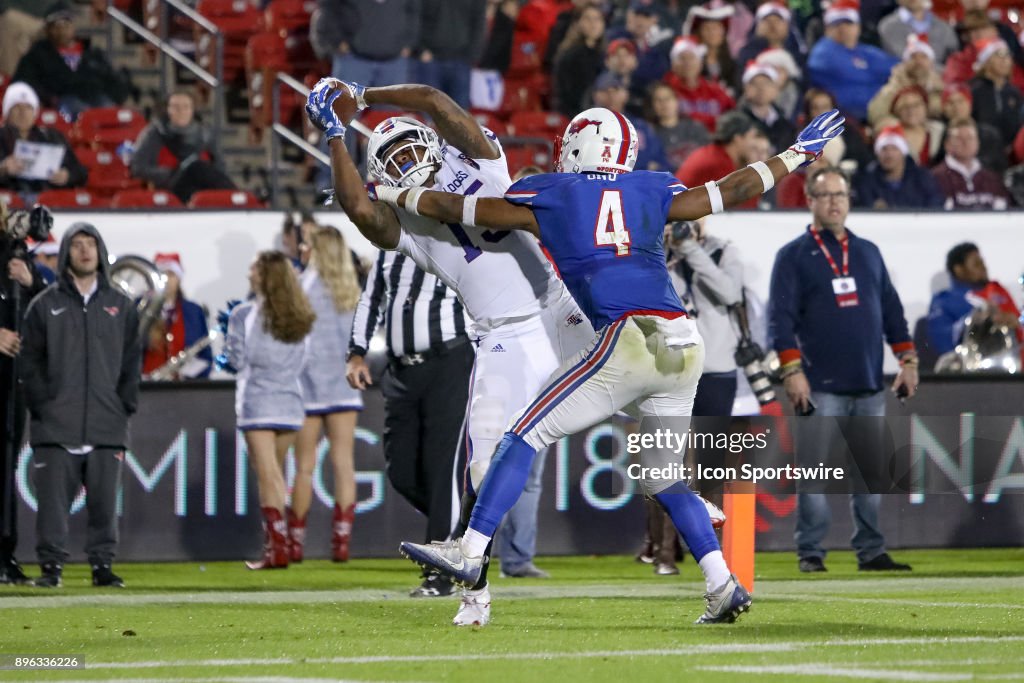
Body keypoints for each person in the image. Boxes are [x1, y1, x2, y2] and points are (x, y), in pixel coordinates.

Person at [386, 103, 846, 623]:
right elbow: (732, 189)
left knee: (522, 435)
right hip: (684, 342)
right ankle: (722, 583)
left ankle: (468, 551)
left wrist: (390, 192)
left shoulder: (554, 191)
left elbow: (462, 211)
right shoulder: (651, 186)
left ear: (578, 145)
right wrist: (796, 154)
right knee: (662, 475)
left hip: (630, 338)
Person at [306, 79, 595, 626]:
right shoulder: (401, 220)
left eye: (411, 144)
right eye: (391, 157)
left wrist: (365, 95)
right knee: (482, 465)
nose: (407, 158)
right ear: (379, 173)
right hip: (502, 334)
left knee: (637, 390)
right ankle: (475, 594)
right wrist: (337, 135)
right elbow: (356, 209)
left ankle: (684, 494)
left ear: (433, 142)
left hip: (558, 307)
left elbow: (437, 102)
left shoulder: (483, 161)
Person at [768, 166, 917, 574]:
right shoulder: (793, 256)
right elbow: (779, 321)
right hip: (819, 385)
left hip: (868, 382)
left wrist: (908, 360)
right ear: (810, 202)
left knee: (870, 477)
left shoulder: (868, 251)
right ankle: (810, 552)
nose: (835, 202)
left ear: (849, 201)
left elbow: (891, 311)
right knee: (814, 475)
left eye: (841, 195)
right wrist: (792, 371)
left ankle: (871, 551)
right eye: (826, 195)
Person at [20, 222, 142, 588]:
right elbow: (30, 362)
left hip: (107, 424)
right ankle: (51, 569)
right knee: (52, 507)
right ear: (66, 254)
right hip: (56, 424)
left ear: (100, 252)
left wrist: (124, 404)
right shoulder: (45, 305)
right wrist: (43, 405)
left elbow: (132, 361)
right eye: (78, 245)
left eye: (91, 244)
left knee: (105, 506)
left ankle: (102, 567)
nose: (85, 251)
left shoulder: (121, 306)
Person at [347, 249, 472, 596]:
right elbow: (370, 299)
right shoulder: (389, 247)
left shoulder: (456, 240)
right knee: (400, 470)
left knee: (442, 467)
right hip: (400, 370)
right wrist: (356, 352)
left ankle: (442, 574)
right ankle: (466, 531)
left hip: (449, 362)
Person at [224, 251, 315, 570]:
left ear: (264, 276)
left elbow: (234, 361)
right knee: (276, 472)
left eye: (254, 267)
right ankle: (278, 543)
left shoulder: (244, 315)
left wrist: (226, 347)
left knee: (268, 474)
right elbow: (305, 361)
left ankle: (276, 547)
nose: (249, 272)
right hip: (290, 402)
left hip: (257, 403)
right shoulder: (302, 315)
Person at [290, 226, 363, 563]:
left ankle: (294, 542)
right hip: (343, 385)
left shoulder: (300, 287)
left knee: (304, 468)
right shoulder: (352, 292)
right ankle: (342, 543)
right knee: (343, 465)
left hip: (307, 387)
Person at [0, 200, 46, 586]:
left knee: (7, 468)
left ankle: (5, 552)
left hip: (11, 383)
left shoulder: (15, 263)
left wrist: (33, 284)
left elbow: (53, 313)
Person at [12, 0, 130, 117]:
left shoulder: (92, 53)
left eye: (66, 24)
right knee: (80, 113)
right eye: (56, 26)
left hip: (95, 97)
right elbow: (23, 81)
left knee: (112, 113)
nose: (62, 31)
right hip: (62, 102)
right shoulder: (37, 55)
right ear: (48, 30)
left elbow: (111, 79)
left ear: (73, 27)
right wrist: (49, 98)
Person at [130, 90, 235, 204]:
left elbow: (219, 167)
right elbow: (137, 167)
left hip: (202, 187)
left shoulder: (205, 133)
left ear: (192, 110)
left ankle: (234, 202)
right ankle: (238, 200)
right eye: (175, 107)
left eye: (186, 107)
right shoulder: (154, 133)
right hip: (171, 185)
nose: (181, 111)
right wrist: (169, 173)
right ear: (168, 109)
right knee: (196, 167)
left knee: (199, 168)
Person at [807, 0, 899, 122]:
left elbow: (898, 67)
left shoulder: (867, 51)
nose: (843, 28)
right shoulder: (823, 52)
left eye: (848, 23)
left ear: (858, 27)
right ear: (827, 29)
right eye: (836, 24)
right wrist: (876, 78)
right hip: (841, 120)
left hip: (875, 114)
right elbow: (848, 73)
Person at [927, 242, 1022, 358]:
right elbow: (941, 338)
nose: (984, 267)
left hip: (1012, 365)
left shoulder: (998, 291)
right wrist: (972, 321)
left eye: (982, 262)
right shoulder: (945, 300)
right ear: (959, 270)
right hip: (971, 369)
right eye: (976, 264)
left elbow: (1018, 320)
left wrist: (1016, 322)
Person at [0, 82, 88, 205]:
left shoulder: (52, 137)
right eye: (17, 108)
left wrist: (67, 176)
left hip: (49, 202)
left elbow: (81, 173)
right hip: (10, 203)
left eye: (28, 107)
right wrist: (3, 169)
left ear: (35, 112)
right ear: (7, 112)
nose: (23, 113)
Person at [314, 0, 420, 91]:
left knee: (389, 113)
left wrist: (409, 42)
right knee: (344, 112)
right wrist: (336, 41)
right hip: (353, 59)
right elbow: (328, 7)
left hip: (394, 62)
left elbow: (414, 10)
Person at [142, 252, 213, 380]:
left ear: (179, 278)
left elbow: (205, 356)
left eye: (171, 274)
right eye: (162, 274)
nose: (167, 280)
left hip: (184, 392)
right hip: (146, 390)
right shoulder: (139, 309)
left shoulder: (194, 311)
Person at [675, 110, 761, 209]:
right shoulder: (719, 163)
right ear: (737, 138)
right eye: (751, 137)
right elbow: (742, 208)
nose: (754, 144)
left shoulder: (713, 153)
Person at [415, 0, 486, 109]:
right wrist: (421, 49)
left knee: (459, 118)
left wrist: (472, 56)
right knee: (429, 113)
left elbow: (478, 23)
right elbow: (416, 16)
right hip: (431, 61)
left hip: (461, 62)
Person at [853, 125, 944, 209]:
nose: (889, 154)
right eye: (884, 149)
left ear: (903, 152)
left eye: (894, 148)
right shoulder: (867, 180)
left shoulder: (922, 177)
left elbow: (935, 204)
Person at [931, 119, 1012, 210]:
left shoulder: (992, 178)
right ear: (947, 145)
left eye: (970, 138)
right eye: (959, 138)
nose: (965, 143)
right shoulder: (935, 177)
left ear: (978, 143)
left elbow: (1004, 212)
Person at [868, 35, 946, 127]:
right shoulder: (894, 86)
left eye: (924, 57)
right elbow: (876, 113)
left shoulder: (939, 86)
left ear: (931, 62)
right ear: (905, 62)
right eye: (913, 57)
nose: (919, 61)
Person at [662, 36, 735, 134]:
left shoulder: (715, 89)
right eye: (682, 58)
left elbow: (732, 114)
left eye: (691, 58)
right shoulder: (666, 90)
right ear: (673, 65)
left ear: (700, 63)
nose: (687, 63)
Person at [551, 4, 606, 118]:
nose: (593, 24)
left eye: (597, 19)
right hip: (576, 116)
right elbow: (569, 95)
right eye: (587, 19)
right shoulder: (570, 56)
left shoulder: (605, 54)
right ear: (577, 23)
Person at [969, 37, 1023, 149]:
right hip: (982, 149)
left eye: (1007, 56)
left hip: (1011, 151)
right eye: (998, 56)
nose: (1004, 60)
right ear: (986, 61)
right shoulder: (974, 89)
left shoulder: (1014, 92)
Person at [647, 82, 710, 172]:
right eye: (658, 100)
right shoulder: (650, 134)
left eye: (667, 99)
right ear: (653, 106)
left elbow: (709, 158)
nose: (664, 104)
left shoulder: (696, 128)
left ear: (676, 101)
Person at [738, 62, 795, 155]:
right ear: (746, 88)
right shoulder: (738, 122)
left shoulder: (785, 124)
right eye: (755, 84)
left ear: (776, 89)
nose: (761, 88)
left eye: (767, 83)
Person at [878, 0, 958, 64]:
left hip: (940, 81)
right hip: (901, 80)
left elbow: (954, 63)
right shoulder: (888, 27)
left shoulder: (944, 27)